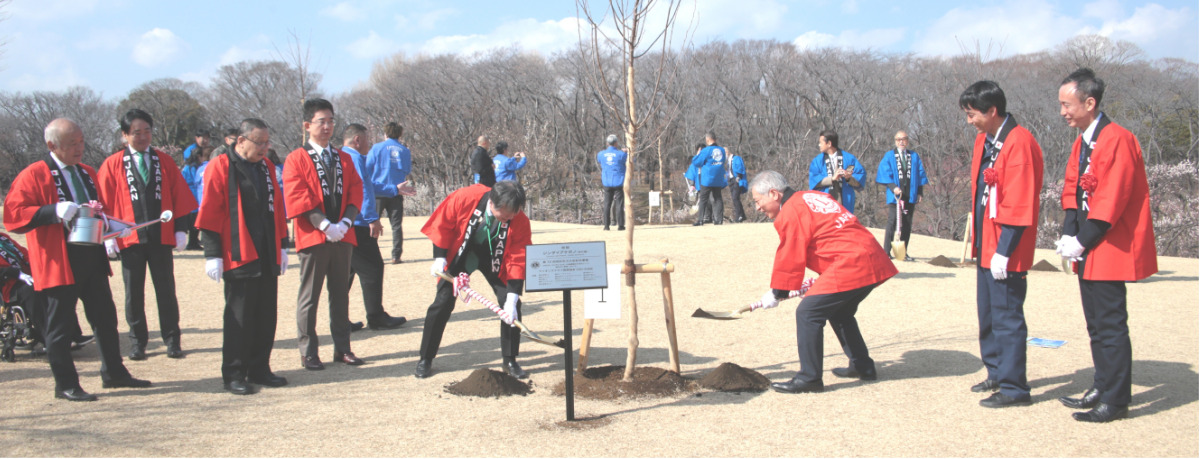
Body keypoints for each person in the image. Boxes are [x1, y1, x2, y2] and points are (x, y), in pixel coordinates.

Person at [3, 118, 151, 401]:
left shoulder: (86, 172)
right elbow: (14, 214)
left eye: (81, 141)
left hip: (91, 255)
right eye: (72, 144)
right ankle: (66, 384)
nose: (79, 148)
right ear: (52, 145)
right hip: (58, 261)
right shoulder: (34, 173)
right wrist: (52, 210)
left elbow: (98, 208)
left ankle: (114, 372)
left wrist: (111, 225)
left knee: (105, 319)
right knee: (59, 327)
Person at [1053, 68, 1157, 423]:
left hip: (1106, 243)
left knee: (1111, 324)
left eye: (1068, 104)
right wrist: (1070, 231)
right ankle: (1102, 385)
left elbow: (1112, 198)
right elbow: (1072, 187)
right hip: (1089, 244)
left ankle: (1115, 400)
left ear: (1090, 102)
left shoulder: (1118, 138)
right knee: (1095, 323)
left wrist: (1081, 240)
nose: (1064, 111)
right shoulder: (1083, 139)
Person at [747, 171, 896, 394]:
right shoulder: (812, 197)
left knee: (808, 313)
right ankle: (863, 366)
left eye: (758, 201)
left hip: (850, 262)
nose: (758, 208)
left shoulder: (791, 211)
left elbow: (790, 252)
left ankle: (810, 378)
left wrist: (777, 292)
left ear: (774, 194)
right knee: (840, 312)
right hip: (870, 256)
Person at [960, 80, 1044, 408]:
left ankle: (1014, 388)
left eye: (972, 114)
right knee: (988, 314)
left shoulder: (1019, 142)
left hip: (1005, 249)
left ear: (992, 111)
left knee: (1007, 316)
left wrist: (1004, 251)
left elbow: (1020, 202)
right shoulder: (986, 139)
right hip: (986, 244)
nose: (969, 121)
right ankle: (995, 370)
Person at [196, 118, 290, 395]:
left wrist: (282, 244)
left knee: (265, 314)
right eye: (259, 143)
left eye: (266, 143)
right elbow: (210, 210)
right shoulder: (221, 165)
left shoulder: (267, 167)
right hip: (237, 252)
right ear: (241, 141)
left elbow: (278, 207)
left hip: (266, 250)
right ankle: (234, 372)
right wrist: (212, 254)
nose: (264, 148)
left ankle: (260, 368)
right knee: (239, 316)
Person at [97, 109, 198, 361]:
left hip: (161, 236)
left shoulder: (164, 161)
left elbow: (179, 195)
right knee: (133, 292)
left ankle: (172, 339)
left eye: (146, 131)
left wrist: (181, 228)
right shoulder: (112, 164)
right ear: (124, 135)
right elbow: (103, 203)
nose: (142, 137)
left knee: (166, 290)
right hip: (128, 238)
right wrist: (108, 236)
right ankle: (137, 341)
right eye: (135, 132)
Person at [415, 180, 532, 380]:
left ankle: (510, 358)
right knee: (442, 302)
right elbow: (443, 225)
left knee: (510, 304)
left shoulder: (519, 219)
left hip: (497, 257)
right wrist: (440, 258)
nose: (510, 218)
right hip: (464, 252)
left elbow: (518, 258)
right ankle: (425, 357)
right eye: (505, 215)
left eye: (514, 213)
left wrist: (512, 298)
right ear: (493, 203)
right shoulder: (466, 197)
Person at [283, 98, 366, 370]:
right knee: (310, 295)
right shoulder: (296, 158)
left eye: (331, 120)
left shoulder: (343, 157)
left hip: (343, 235)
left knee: (340, 293)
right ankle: (308, 351)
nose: (328, 126)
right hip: (313, 236)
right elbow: (297, 195)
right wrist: (324, 225)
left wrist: (345, 223)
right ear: (308, 125)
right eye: (322, 121)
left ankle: (343, 348)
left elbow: (356, 190)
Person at [343, 123, 409, 330]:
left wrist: (392, 189)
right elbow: (363, 188)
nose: (370, 144)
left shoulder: (344, 157)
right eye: (367, 139)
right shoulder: (354, 158)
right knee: (373, 268)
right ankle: (376, 316)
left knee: (348, 271)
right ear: (357, 140)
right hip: (358, 222)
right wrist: (371, 218)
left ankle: (339, 318)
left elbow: (369, 184)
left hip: (347, 222)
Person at [875, 130, 929, 259]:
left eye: (904, 139)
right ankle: (886, 252)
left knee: (907, 223)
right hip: (895, 196)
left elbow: (920, 174)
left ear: (908, 141)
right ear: (895, 141)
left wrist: (920, 192)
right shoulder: (889, 156)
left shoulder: (914, 156)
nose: (901, 142)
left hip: (910, 194)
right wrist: (893, 187)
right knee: (892, 222)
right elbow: (884, 174)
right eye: (898, 139)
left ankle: (902, 253)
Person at [366, 122, 413, 265]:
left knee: (373, 223)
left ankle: (370, 254)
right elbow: (407, 170)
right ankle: (396, 255)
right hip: (397, 191)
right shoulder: (404, 150)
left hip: (378, 191)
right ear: (400, 134)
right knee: (396, 225)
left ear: (385, 133)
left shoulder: (377, 148)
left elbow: (367, 167)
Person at [807, 130, 865, 214]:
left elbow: (860, 175)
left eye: (821, 142)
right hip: (825, 202)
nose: (819, 145)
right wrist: (832, 178)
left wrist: (849, 178)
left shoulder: (849, 159)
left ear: (829, 144)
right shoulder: (817, 161)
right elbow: (813, 180)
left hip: (844, 200)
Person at [691, 131, 728, 226]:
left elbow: (697, 163)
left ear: (707, 140)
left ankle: (700, 220)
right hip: (718, 177)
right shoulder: (722, 150)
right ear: (715, 139)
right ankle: (719, 220)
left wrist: (698, 154)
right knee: (718, 198)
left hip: (707, 178)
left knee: (703, 198)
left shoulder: (706, 151)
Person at [180, 145, 211, 250]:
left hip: (189, 197)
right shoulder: (193, 168)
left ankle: (193, 241)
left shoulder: (187, 167)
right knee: (194, 222)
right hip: (194, 197)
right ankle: (192, 243)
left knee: (193, 222)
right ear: (198, 156)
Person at [596, 134, 627, 231]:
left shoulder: (601, 154)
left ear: (607, 143)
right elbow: (631, 160)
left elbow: (600, 160)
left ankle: (606, 226)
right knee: (619, 204)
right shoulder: (621, 154)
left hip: (607, 182)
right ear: (616, 143)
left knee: (607, 204)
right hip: (618, 181)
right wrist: (626, 152)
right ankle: (620, 225)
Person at [728, 151, 748, 223]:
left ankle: (740, 216)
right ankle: (741, 215)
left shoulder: (736, 158)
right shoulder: (728, 161)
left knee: (735, 197)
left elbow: (740, 167)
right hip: (731, 181)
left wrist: (738, 176)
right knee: (734, 198)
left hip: (737, 180)